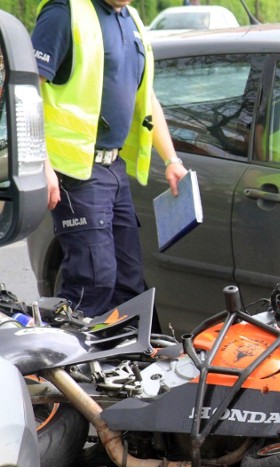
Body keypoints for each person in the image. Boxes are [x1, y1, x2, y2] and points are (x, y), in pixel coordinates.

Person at [31, 0, 188, 317]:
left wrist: (171, 159)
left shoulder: (130, 19)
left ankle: (113, 362)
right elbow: (27, 91)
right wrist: (41, 163)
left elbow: (146, 96)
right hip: (75, 171)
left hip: (114, 170)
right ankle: (58, 363)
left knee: (128, 286)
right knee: (92, 282)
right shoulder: (65, 12)